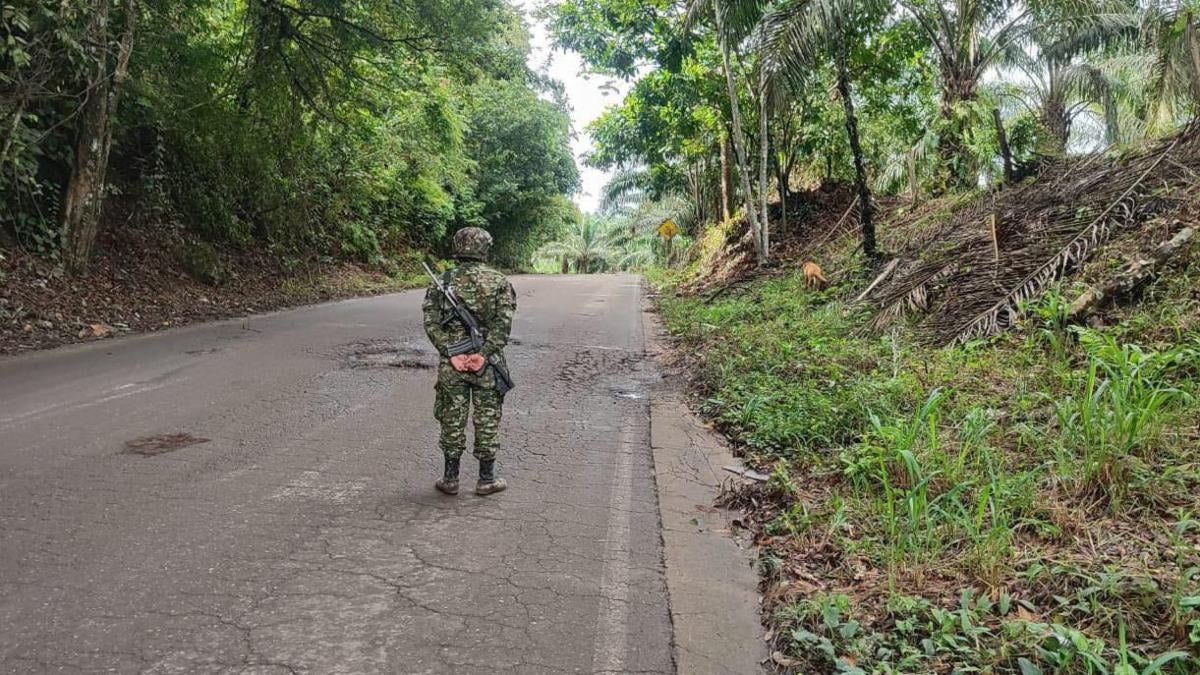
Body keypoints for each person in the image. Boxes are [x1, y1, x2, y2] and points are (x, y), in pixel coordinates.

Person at [422, 227, 516, 496]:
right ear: (485, 248)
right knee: (487, 418)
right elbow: (503, 326)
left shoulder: (442, 281)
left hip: (453, 364)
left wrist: (451, 352)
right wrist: (483, 354)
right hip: (487, 363)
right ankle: (487, 479)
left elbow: (431, 323)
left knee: (452, 418)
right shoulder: (499, 281)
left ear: (458, 247)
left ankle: (450, 479)